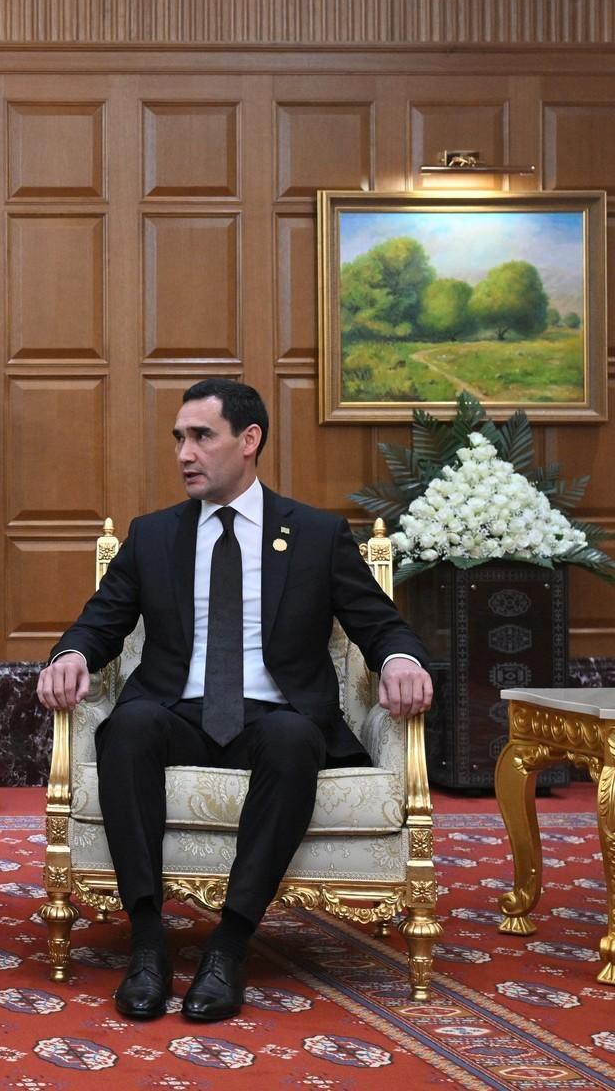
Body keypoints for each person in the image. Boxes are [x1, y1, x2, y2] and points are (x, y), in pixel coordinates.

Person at [36, 379, 432, 1024]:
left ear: (249, 440)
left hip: (274, 715)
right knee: (128, 727)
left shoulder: (315, 534)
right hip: (178, 711)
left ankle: (229, 945)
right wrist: (72, 655)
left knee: (293, 737)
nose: (184, 454)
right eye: (179, 439)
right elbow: (100, 621)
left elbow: (380, 624)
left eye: (201, 437)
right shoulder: (153, 535)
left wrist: (401, 661)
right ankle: (147, 943)